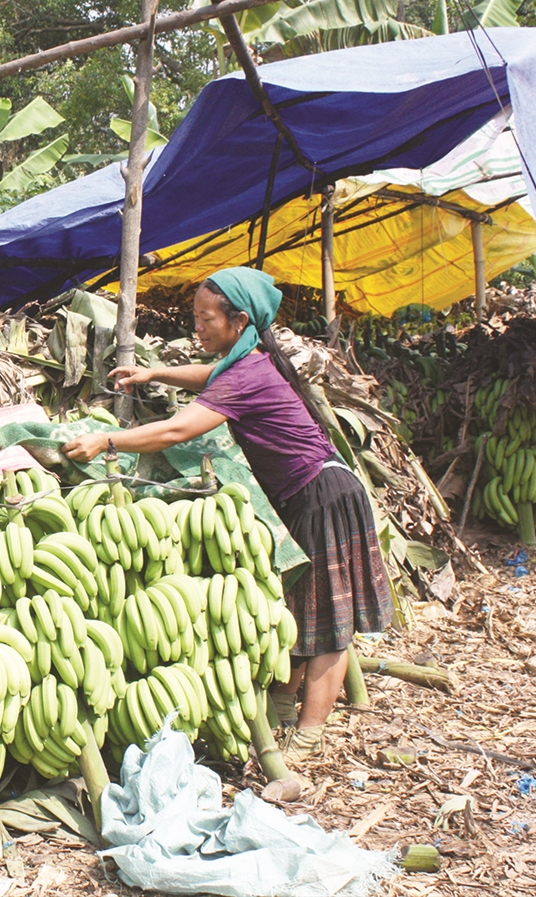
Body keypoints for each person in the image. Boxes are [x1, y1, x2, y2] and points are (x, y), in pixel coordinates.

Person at [61, 267, 391, 760]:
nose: (197, 327)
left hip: (325, 495)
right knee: (300, 607)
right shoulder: (248, 362)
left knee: (329, 625)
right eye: (196, 316)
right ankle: (284, 707)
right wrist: (154, 372)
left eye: (204, 318)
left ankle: (308, 733)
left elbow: (179, 430)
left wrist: (106, 439)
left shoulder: (249, 374)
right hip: (307, 493)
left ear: (238, 321)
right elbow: (207, 376)